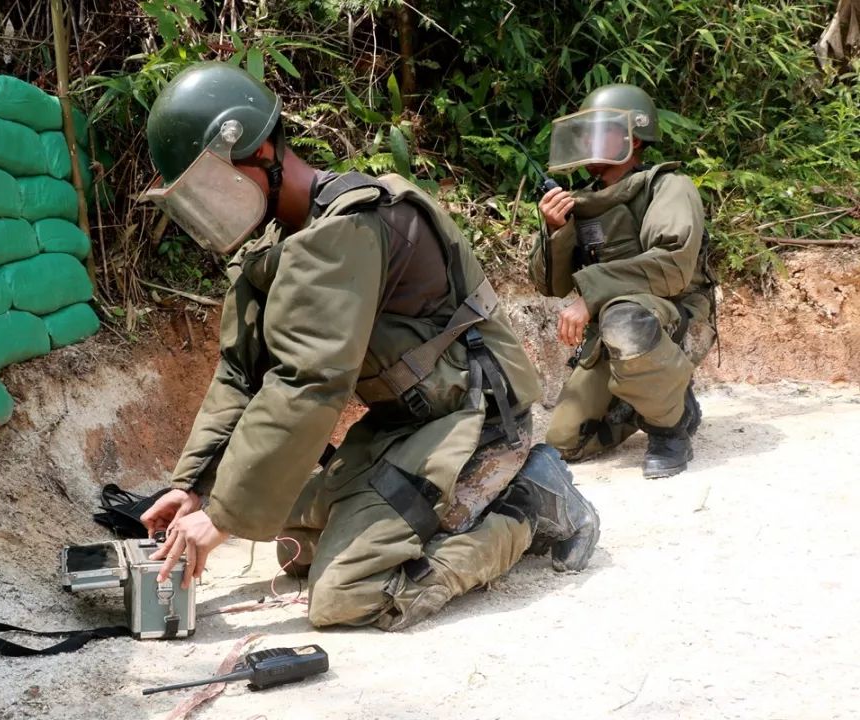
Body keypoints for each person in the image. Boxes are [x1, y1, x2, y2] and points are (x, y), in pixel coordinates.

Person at [138, 62, 600, 631]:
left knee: (346, 593)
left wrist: (224, 518)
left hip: (470, 421)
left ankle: (528, 506)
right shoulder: (288, 237)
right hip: (402, 428)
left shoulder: (346, 229)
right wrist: (193, 488)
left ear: (255, 154)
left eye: (206, 186)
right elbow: (243, 372)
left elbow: (310, 380)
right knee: (292, 538)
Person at [529, 84, 717, 478]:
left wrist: (592, 295)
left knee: (623, 317)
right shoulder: (581, 200)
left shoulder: (668, 187)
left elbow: (671, 267)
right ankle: (660, 398)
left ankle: (670, 429)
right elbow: (552, 286)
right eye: (586, 131)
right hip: (615, 334)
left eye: (601, 130)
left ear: (632, 139)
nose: (588, 140)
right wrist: (555, 231)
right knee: (565, 443)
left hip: (675, 321)